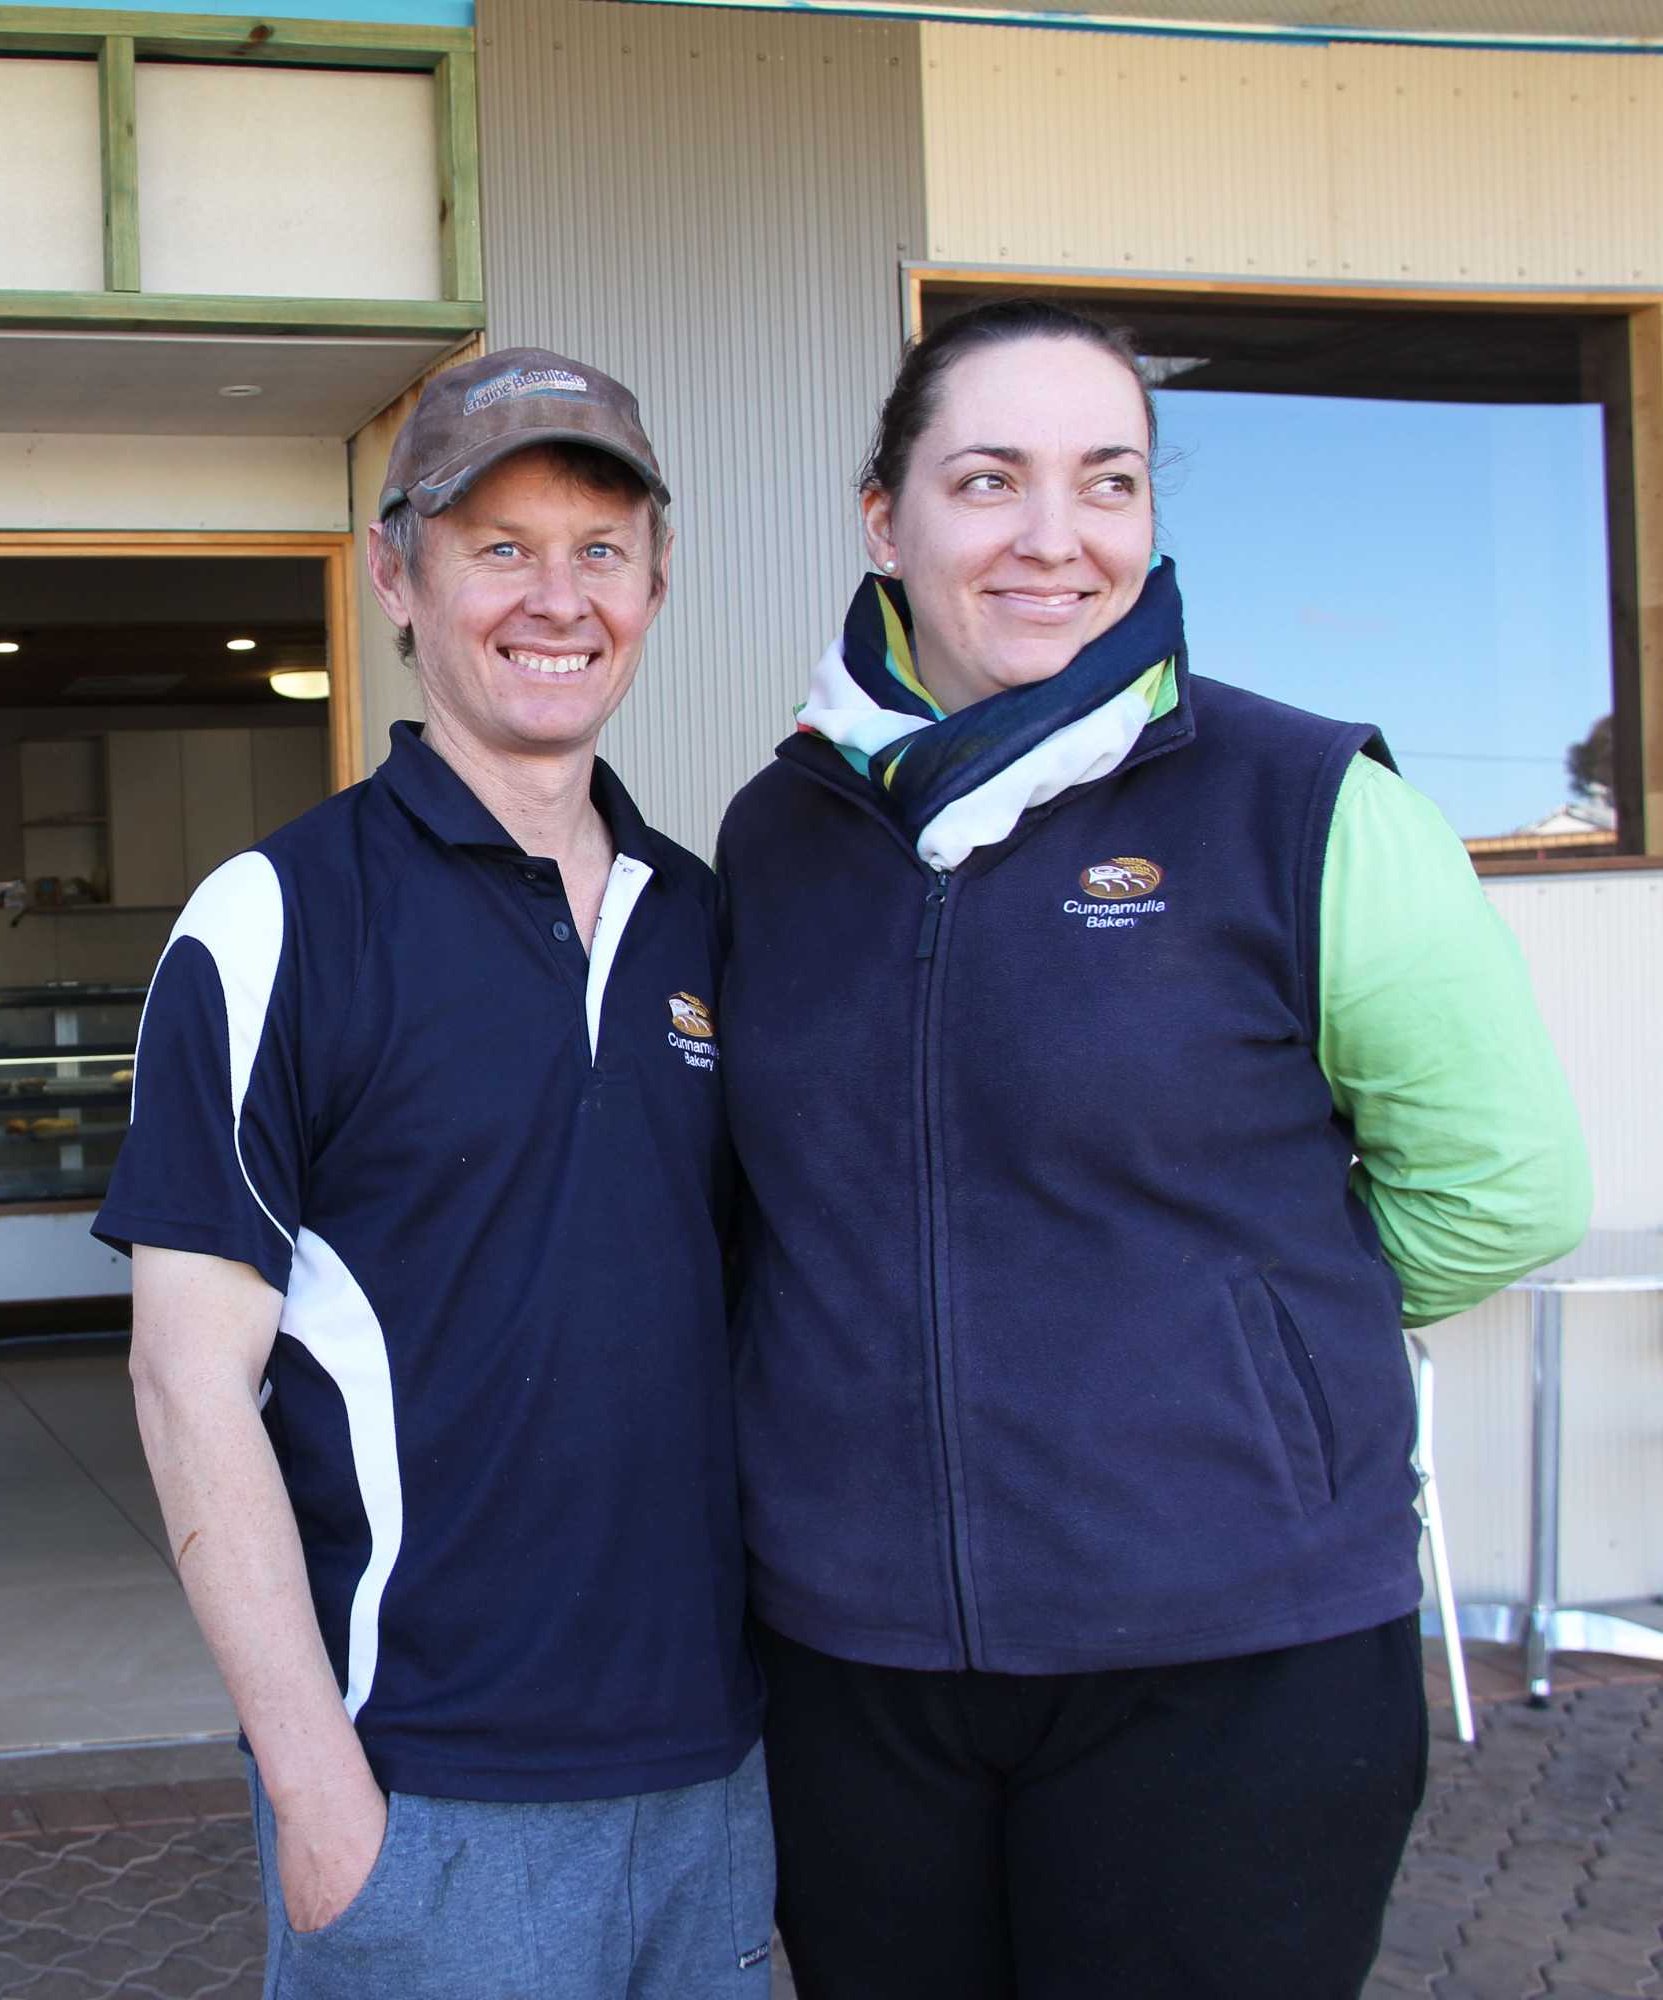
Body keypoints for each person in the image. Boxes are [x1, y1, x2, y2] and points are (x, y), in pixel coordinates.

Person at [714, 298, 1594, 1999]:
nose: (1057, 538)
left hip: (1232, 1664)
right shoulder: (785, 830)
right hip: (858, 1667)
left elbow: (1503, 1188)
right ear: (885, 518)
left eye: (1108, 482)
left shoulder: (1306, 803)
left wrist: (1234, 1335)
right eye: (990, 481)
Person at [94, 347, 770, 2000]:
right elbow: (190, 1383)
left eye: (600, 549)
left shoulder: (715, 924)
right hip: (430, 1797)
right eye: (501, 547)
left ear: (658, 584)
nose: (558, 598)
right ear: (397, 573)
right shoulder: (276, 922)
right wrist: (320, 1793)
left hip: (718, 1782)